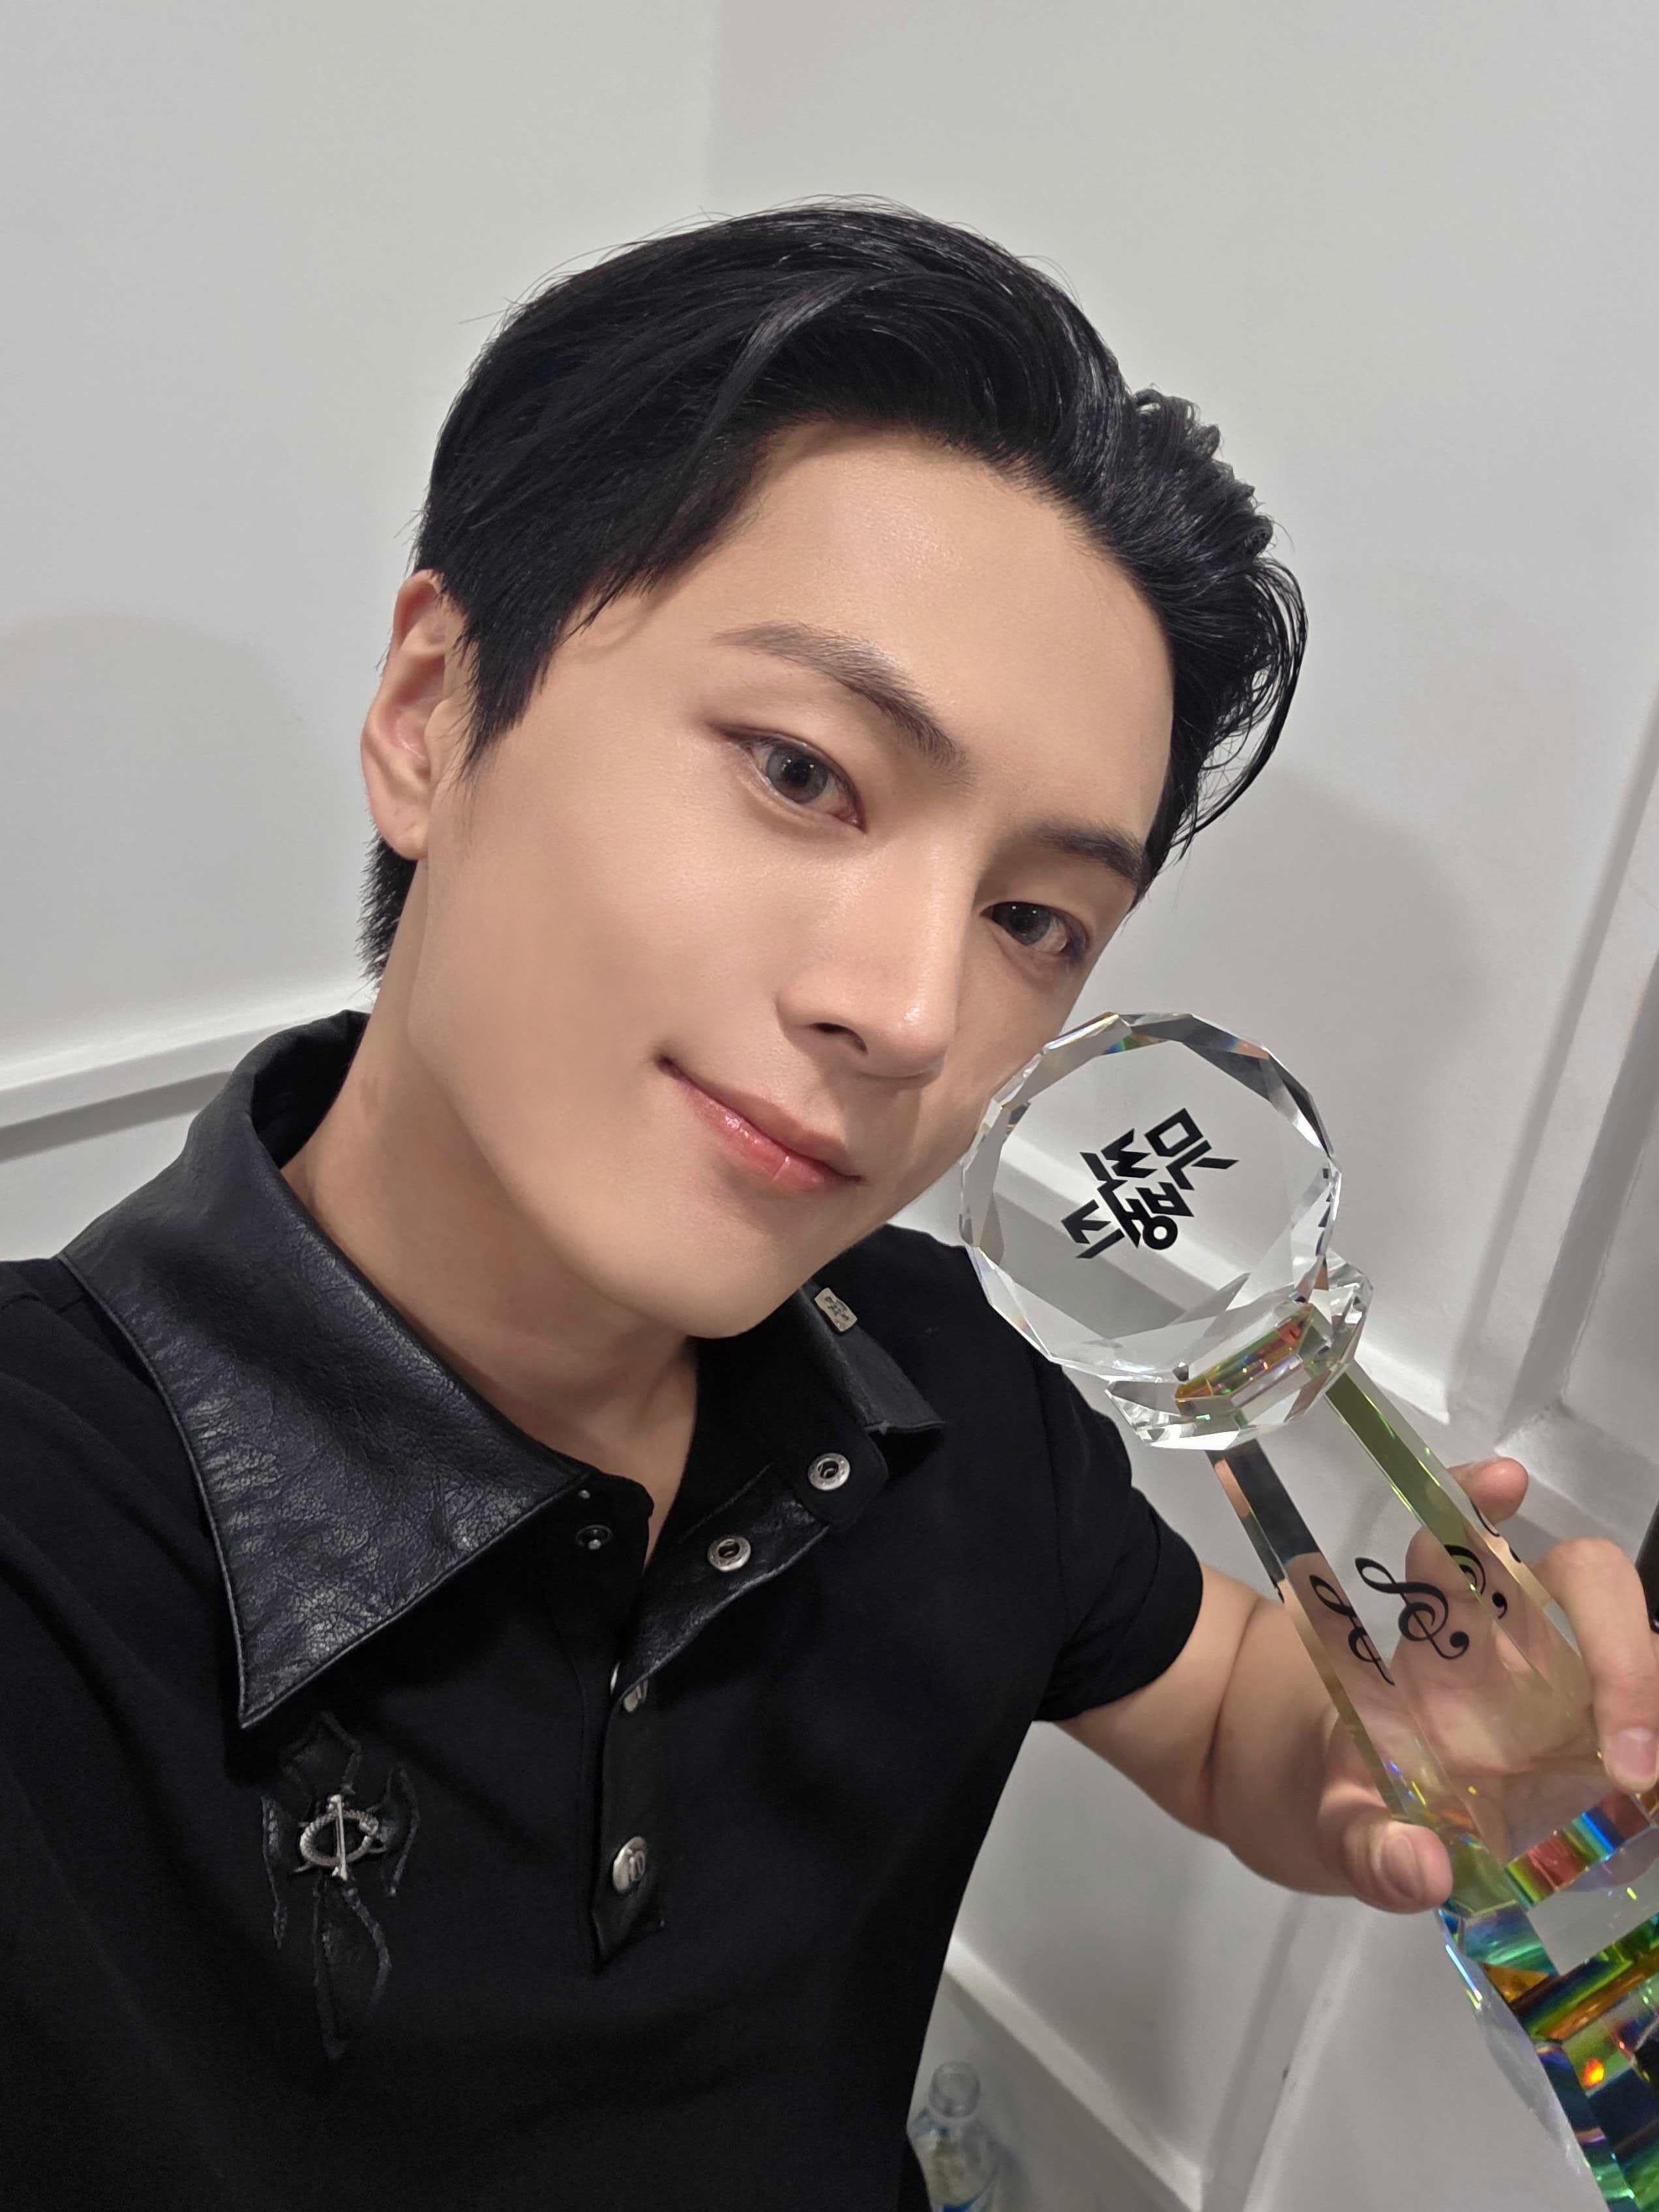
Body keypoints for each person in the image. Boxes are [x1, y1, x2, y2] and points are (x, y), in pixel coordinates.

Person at [1, 200, 1652, 2211]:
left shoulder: (935, 1368)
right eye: (801, 772)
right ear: (434, 708)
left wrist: (1371, 1743)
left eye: (1034, 918)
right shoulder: (49, 1536)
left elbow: (1226, 1711)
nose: (914, 1011)